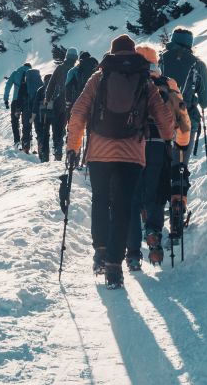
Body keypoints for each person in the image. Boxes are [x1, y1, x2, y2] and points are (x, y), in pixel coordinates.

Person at [65, 35, 176, 290]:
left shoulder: (99, 77)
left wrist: (72, 146)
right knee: (123, 206)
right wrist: (168, 138)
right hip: (132, 154)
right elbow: (164, 117)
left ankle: (100, 254)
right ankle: (115, 266)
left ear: (112, 53)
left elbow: (79, 112)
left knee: (101, 201)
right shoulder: (144, 80)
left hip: (99, 153)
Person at [125, 44, 191, 269]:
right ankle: (153, 230)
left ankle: (133, 250)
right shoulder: (167, 84)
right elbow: (183, 119)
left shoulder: (128, 83)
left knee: (134, 195)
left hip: (132, 146)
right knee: (157, 193)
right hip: (160, 146)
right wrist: (180, 145)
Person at [159, 27, 207, 153]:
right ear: (190, 43)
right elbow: (206, 100)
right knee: (179, 168)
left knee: (157, 167)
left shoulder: (159, 60)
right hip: (185, 122)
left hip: (157, 121)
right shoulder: (198, 64)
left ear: (173, 40)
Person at [3, 62, 34, 149]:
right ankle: (26, 142)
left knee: (15, 121)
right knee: (26, 122)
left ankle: (17, 141)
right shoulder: (32, 74)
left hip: (16, 101)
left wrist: (6, 99)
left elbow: (8, 86)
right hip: (28, 102)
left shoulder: (16, 73)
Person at [33, 72, 53, 162]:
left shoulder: (40, 89)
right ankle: (46, 156)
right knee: (47, 134)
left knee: (41, 134)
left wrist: (33, 115)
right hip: (49, 115)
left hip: (40, 116)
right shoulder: (54, 88)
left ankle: (42, 153)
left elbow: (35, 104)